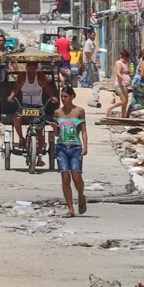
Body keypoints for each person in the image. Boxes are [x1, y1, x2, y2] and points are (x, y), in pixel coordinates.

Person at [52, 89, 88, 217]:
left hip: (75, 147)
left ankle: (81, 194)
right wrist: (54, 128)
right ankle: (70, 208)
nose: (63, 99)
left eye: (66, 96)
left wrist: (85, 146)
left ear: (72, 96)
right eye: (62, 96)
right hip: (61, 147)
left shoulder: (79, 111)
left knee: (76, 176)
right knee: (65, 177)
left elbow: (83, 130)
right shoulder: (57, 112)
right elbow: (56, 134)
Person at [13, 65, 49, 163]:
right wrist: (11, 95)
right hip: (25, 106)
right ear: (27, 68)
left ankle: (40, 156)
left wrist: (53, 96)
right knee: (17, 117)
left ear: (36, 68)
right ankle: (21, 138)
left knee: (39, 131)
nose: (31, 69)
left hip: (38, 106)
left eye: (33, 67)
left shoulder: (41, 76)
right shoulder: (22, 76)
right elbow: (16, 87)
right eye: (30, 67)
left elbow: (48, 88)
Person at [112, 49, 133, 117]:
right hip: (120, 84)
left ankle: (123, 116)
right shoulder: (119, 63)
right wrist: (124, 80)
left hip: (124, 85)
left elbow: (123, 72)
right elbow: (118, 72)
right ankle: (109, 108)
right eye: (127, 59)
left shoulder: (124, 64)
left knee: (125, 102)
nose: (128, 61)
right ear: (124, 57)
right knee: (123, 101)